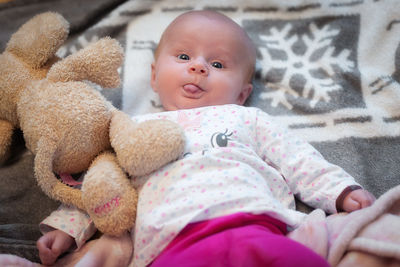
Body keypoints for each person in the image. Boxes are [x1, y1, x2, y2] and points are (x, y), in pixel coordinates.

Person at [36, 10, 375, 267]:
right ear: (154, 76)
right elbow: (102, 185)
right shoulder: (129, 128)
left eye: (217, 63)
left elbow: (298, 158)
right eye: (184, 57)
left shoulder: (246, 117)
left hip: (254, 226)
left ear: (242, 93)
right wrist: (68, 227)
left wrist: (340, 191)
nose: (198, 67)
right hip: (171, 243)